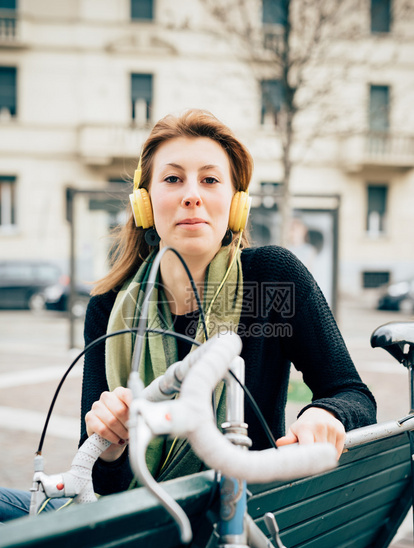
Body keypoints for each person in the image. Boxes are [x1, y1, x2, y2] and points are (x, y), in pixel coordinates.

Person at [0, 109, 376, 519]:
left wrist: (327, 413)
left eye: (210, 180)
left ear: (237, 205)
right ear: (144, 203)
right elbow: (103, 485)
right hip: (135, 521)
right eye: (173, 178)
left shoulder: (271, 280)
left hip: (233, 526)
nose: (191, 194)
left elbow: (354, 394)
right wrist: (110, 443)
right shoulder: (108, 306)